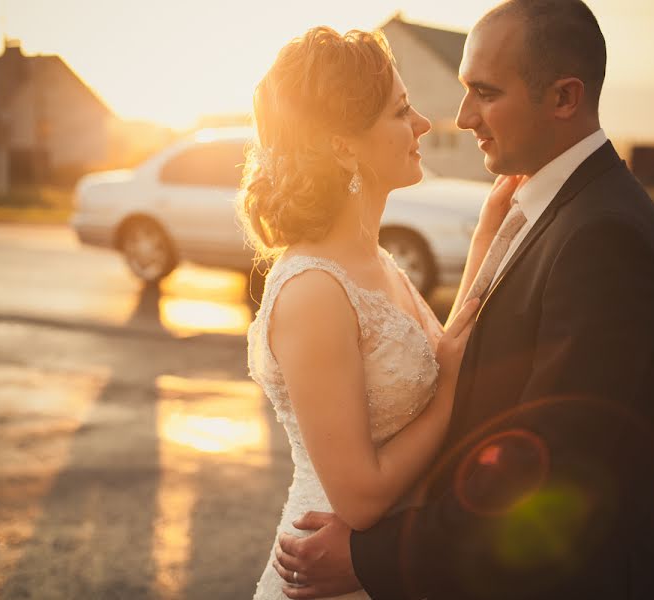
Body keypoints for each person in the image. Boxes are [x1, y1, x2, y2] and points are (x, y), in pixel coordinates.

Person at [273, 1, 654, 599]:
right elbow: (461, 355)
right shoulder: (554, 213)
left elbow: (553, 473)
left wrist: (370, 557)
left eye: (485, 93)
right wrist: (491, 240)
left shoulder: (602, 236)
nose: (459, 118)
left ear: (565, 98)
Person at [242, 26, 518, 600]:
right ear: (343, 143)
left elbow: (440, 351)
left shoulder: (377, 261)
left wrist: (490, 231)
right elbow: (361, 497)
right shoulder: (314, 290)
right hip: (333, 574)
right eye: (400, 111)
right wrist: (451, 394)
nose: (421, 123)